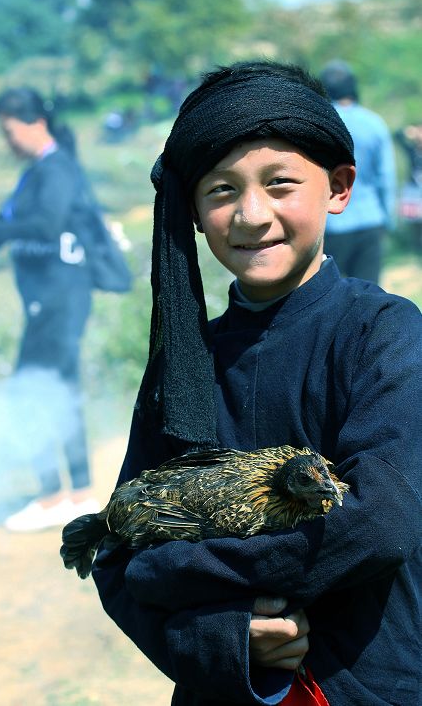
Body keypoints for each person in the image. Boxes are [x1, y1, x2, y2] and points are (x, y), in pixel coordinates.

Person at [90, 60, 422, 705]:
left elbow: (381, 523)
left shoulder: (383, 333)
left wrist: (174, 566)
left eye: (280, 184)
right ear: (191, 208)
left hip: (374, 680)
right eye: (220, 190)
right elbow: (117, 551)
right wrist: (220, 637)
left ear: (339, 186)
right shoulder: (187, 367)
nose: (250, 215)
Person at [0, 87, 102, 531]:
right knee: (59, 392)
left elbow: (45, 225)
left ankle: (55, 495)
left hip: (58, 299)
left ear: (35, 123)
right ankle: (78, 494)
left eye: (9, 131)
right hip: (57, 299)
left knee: (30, 392)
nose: (7, 141)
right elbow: (24, 229)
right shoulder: (44, 169)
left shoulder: (54, 168)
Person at [319, 59, 396, 283]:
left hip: (331, 223)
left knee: (327, 294)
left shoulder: (321, 123)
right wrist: (387, 219)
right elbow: (386, 177)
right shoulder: (374, 123)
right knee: (368, 295)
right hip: (370, 221)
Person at [394, 121, 422, 253]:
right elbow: (397, 136)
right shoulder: (412, 149)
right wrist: (409, 131)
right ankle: (416, 248)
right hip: (414, 191)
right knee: (414, 222)